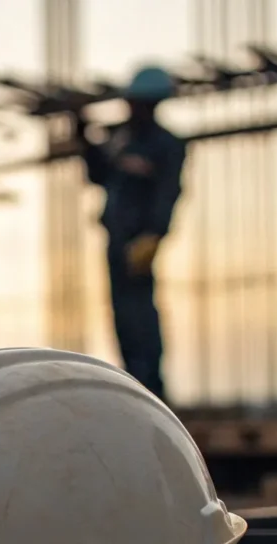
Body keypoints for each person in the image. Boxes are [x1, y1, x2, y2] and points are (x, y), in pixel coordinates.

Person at [74, 64, 187, 401]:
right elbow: (99, 174)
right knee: (122, 313)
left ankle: (151, 384)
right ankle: (134, 382)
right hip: (117, 237)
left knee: (140, 313)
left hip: (140, 240)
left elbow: (169, 191)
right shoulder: (122, 139)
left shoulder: (165, 144)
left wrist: (154, 233)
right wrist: (84, 137)